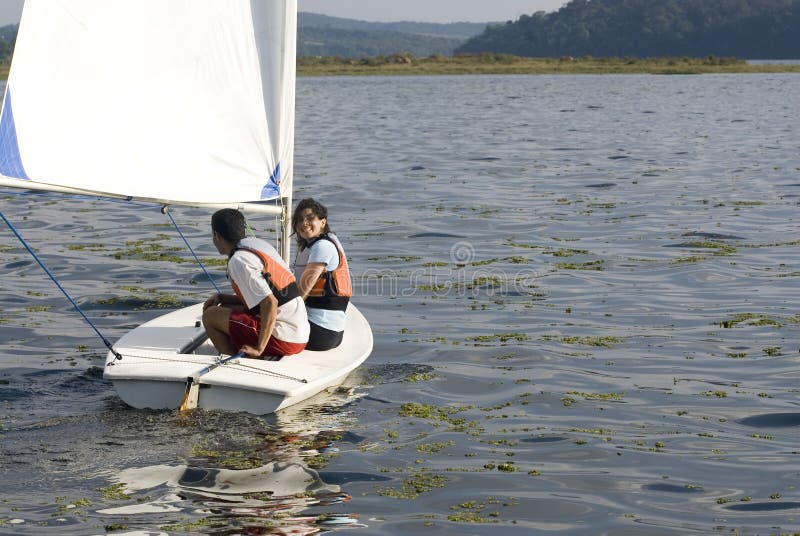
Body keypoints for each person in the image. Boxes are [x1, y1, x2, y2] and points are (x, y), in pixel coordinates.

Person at [202, 208, 309, 359]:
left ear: (216, 236)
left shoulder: (239, 260)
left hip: (286, 338)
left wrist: (259, 348)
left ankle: (234, 363)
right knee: (225, 307)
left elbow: (270, 303)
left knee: (210, 316)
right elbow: (267, 297)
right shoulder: (256, 244)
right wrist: (223, 297)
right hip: (299, 333)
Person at [291, 198, 352, 351]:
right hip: (330, 332)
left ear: (323, 222)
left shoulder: (322, 247)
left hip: (320, 332)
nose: (304, 223)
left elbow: (302, 294)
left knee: (253, 322)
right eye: (299, 220)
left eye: (310, 218)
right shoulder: (322, 243)